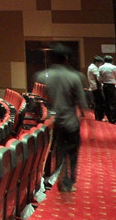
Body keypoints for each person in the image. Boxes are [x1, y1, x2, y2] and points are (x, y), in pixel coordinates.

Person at [36, 44, 88, 192]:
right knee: (72, 153)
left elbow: (38, 100)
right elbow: (82, 103)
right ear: (66, 58)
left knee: (58, 151)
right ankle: (68, 181)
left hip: (53, 121)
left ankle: (59, 176)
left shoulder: (42, 76)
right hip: (70, 121)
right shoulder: (74, 77)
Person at [87, 56, 105, 121]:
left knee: (98, 103)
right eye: (100, 63)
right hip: (96, 87)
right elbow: (98, 78)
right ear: (97, 62)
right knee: (100, 103)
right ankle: (99, 117)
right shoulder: (94, 68)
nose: (101, 65)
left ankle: (98, 117)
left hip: (94, 87)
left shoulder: (91, 66)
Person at [99, 55, 116, 123]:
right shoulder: (114, 67)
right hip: (112, 86)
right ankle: (113, 119)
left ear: (104, 60)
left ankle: (108, 117)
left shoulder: (101, 67)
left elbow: (99, 78)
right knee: (113, 102)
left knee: (107, 102)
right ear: (112, 61)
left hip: (105, 85)